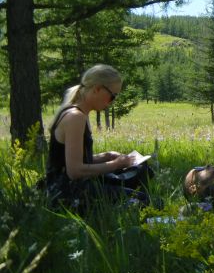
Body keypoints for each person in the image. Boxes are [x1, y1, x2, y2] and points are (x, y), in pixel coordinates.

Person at [45, 64, 150, 209]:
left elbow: (70, 160)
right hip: (66, 193)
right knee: (143, 200)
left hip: (68, 186)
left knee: (137, 172)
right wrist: (116, 164)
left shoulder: (79, 113)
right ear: (97, 89)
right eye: (112, 96)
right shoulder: (76, 117)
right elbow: (74, 171)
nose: (112, 102)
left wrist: (107, 156)